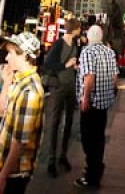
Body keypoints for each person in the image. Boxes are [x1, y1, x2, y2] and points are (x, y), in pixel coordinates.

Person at [0, 32, 44, 194]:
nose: (7, 58)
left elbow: (20, 142)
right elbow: (1, 111)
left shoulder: (30, 91)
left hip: (13, 171)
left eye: (11, 53)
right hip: (1, 163)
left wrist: (3, 178)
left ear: (24, 55)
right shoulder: (19, 80)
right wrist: (6, 82)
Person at [74, 25, 118, 188]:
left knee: (88, 139)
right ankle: (97, 168)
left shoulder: (87, 52)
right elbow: (114, 78)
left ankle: (92, 174)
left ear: (88, 36)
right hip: (104, 102)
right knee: (99, 137)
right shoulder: (109, 51)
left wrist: (85, 98)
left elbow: (89, 77)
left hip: (91, 103)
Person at [40, 18, 81, 177]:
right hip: (58, 86)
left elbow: (71, 62)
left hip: (71, 85)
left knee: (69, 121)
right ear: (75, 29)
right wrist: (66, 65)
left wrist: (74, 66)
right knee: (55, 121)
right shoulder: (58, 44)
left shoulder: (76, 43)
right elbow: (48, 64)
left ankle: (62, 155)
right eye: (79, 28)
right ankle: (51, 159)